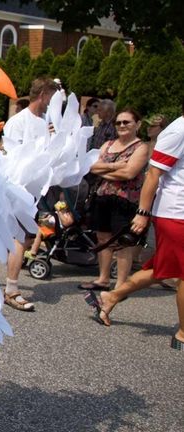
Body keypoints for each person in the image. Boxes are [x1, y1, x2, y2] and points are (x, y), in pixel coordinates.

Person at [84, 102, 184, 352]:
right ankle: (182, 334)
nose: (121, 126)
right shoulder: (179, 130)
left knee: (163, 267)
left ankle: (111, 296)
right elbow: (152, 174)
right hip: (174, 212)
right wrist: (142, 212)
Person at [1, 77, 59, 311]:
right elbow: (12, 156)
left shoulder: (45, 122)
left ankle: (4, 283)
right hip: (17, 190)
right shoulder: (18, 122)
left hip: (34, 191)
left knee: (20, 239)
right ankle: (11, 290)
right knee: (19, 237)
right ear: (43, 94)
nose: (53, 104)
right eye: (52, 98)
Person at [79, 108, 149, 291]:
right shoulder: (108, 144)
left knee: (122, 242)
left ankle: (120, 284)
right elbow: (92, 167)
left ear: (138, 125)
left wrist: (105, 169)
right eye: (118, 122)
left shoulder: (140, 147)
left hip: (125, 200)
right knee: (103, 238)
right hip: (102, 197)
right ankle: (102, 279)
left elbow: (130, 173)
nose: (122, 126)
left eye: (126, 122)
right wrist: (117, 165)